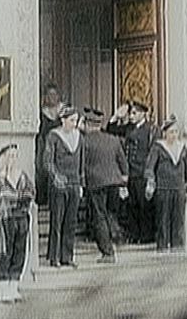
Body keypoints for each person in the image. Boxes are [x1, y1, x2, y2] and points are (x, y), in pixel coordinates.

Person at [0, 143, 35, 303]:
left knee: (20, 252)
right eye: (10, 156)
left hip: (21, 219)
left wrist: (26, 199)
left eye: (15, 156)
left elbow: (31, 193)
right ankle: (3, 289)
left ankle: (14, 286)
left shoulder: (23, 177)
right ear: (3, 158)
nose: (13, 160)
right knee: (5, 253)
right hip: (5, 221)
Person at [107, 101, 159, 244]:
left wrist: (150, 175)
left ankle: (146, 236)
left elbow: (153, 152)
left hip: (142, 172)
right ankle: (134, 234)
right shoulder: (129, 128)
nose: (131, 116)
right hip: (130, 172)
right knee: (132, 205)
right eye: (130, 113)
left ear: (142, 114)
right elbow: (111, 130)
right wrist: (116, 116)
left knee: (144, 206)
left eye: (134, 113)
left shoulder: (150, 129)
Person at [83, 107, 129, 263]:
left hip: (96, 184)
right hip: (115, 182)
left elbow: (82, 164)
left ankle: (108, 252)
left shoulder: (84, 141)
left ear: (88, 124)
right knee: (111, 214)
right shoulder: (113, 140)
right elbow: (123, 163)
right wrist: (124, 182)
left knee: (99, 217)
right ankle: (117, 237)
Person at [44, 105, 85, 268]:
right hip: (59, 184)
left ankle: (67, 256)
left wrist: (81, 183)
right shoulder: (53, 136)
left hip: (74, 183)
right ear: (63, 120)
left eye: (76, 121)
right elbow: (47, 161)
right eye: (71, 120)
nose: (74, 124)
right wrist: (55, 176)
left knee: (71, 221)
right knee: (57, 221)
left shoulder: (79, 137)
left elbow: (81, 162)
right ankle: (54, 257)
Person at [144, 115, 187, 252]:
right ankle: (163, 246)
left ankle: (178, 245)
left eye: (176, 132)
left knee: (178, 219)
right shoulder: (158, 148)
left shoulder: (183, 148)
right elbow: (150, 167)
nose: (174, 135)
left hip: (178, 188)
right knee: (163, 218)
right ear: (165, 133)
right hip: (163, 188)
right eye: (171, 132)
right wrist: (150, 183)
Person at [34, 83, 63, 206]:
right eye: (49, 95)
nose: (51, 98)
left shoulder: (64, 113)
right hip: (44, 146)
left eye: (54, 95)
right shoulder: (40, 114)